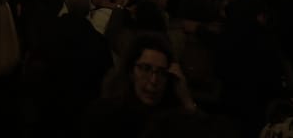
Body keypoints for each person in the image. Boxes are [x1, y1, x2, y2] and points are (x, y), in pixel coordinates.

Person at [79, 29, 234, 135]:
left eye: (161, 73)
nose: (153, 80)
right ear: (131, 71)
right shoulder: (104, 115)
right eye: (145, 69)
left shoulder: (172, 120)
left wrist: (187, 101)